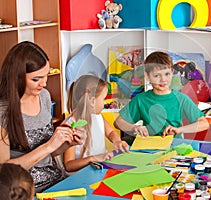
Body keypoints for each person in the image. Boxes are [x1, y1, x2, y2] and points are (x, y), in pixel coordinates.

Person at [0, 41, 86, 192]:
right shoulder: (3, 111)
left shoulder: (44, 97)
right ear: (17, 77)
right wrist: (49, 146)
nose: (44, 83)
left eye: (46, 76)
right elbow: (4, 172)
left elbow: (49, 154)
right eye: (36, 79)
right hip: (24, 191)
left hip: (55, 181)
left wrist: (68, 143)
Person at [114, 51, 209, 139]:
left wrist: (179, 130)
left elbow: (204, 124)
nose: (163, 79)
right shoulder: (141, 99)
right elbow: (118, 123)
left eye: (167, 74)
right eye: (156, 75)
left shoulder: (181, 99)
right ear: (147, 76)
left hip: (174, 149)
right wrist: (134, 128)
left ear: (172, 72)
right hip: (149, 150)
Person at [63, 74, 129, 173]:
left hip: (100, 169)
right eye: (103, 99)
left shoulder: (97, 116)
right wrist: (92, 158)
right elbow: (69, 165)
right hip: (83, 175)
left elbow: (111, 132)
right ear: (92, 101)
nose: (105, 103)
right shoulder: (71, 125)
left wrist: (117, 141)